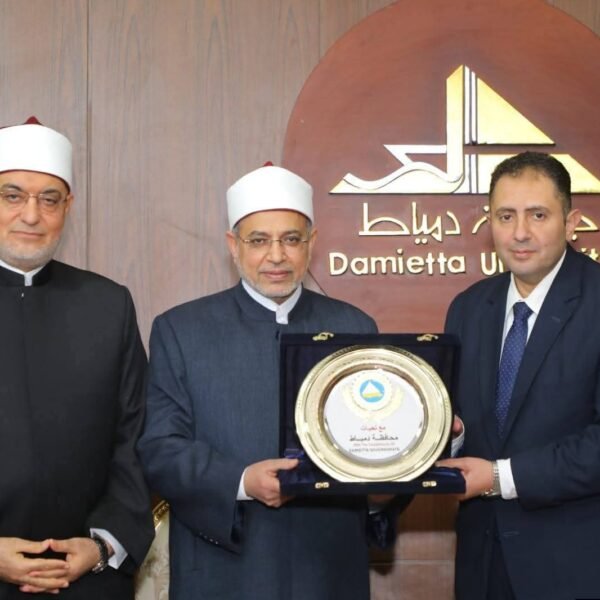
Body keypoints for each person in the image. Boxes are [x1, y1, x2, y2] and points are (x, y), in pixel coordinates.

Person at [137, 164, 404, 599]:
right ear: (233, 245)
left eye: (291, 239)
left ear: (311, 243)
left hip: (328, 568)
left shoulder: (355, 326)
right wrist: (242, 480)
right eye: (259, 240)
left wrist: (395, 469)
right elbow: (160, 449)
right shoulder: (181, 330)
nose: (276, 256)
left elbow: (375, 441)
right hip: (225, 568)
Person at [0, 117, 154, 599]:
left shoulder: (107, 305)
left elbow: (135, 437)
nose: (31, 215)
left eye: (49, 199)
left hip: (87, 578)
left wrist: (103, 544)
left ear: (68, 207)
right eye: (12, 196)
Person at [438, 151, 600, 599]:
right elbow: (462, 421)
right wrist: (448, 437)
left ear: (571, 223)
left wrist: (498, 477)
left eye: (538, 215)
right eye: (505, 216)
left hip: (576, 569)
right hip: (482, 566)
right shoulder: (468, 307)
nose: (520, 232)